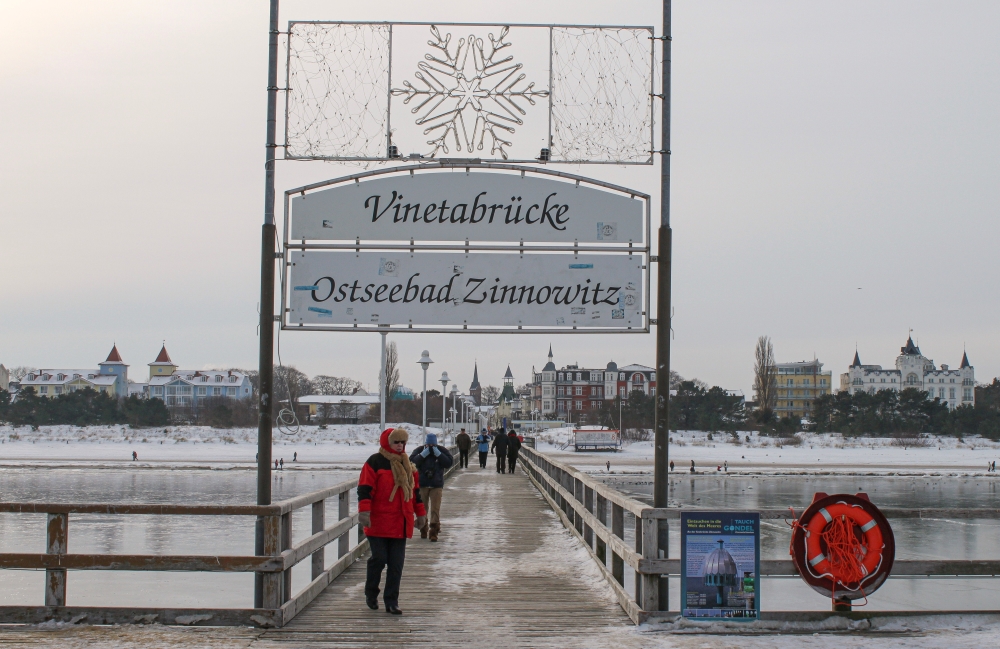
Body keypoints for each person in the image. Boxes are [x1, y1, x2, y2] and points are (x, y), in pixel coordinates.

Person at [358, 427, 426, 615]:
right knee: (379, 559)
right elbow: (364, 488)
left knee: (396, 564)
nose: (399, 446)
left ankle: (391, 601)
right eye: (396, 442)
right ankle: (371, 593)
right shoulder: (374, 462)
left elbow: (415, 493)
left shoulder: (409, 466)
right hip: (378, 521)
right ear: (387, 442)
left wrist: (420, 514)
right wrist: (364, 511)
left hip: (400, 521)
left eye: (402, 442)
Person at [409, 433, 453, 542]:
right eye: (429, 445)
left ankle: (434, 531)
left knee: (435, 509)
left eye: (433, 444)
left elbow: (448, 463)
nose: (431, 447)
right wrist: (423, 455)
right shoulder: (419, 450)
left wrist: (438, 454)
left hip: (436, 484)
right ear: (426, 443)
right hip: (422, 484)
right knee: (423, 507)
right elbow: (411, 462)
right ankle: (423, 528)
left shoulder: (441, 450)